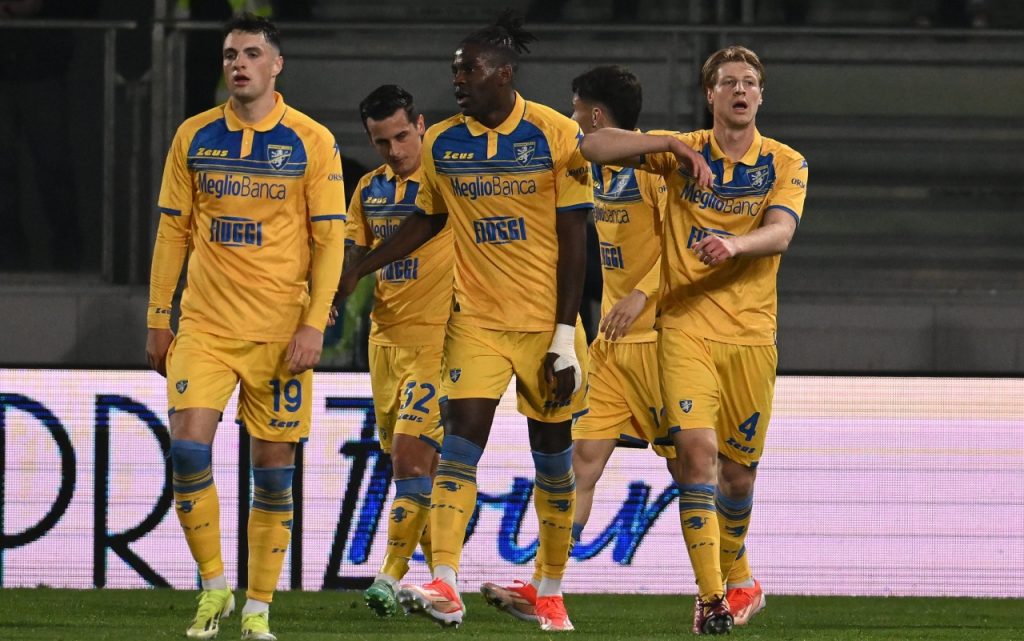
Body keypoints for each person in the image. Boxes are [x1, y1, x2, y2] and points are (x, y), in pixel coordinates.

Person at [335, 10, 595, 632]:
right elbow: (428, 218)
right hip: (475, 322)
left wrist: (565, 335)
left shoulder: (556, 134)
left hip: (546, 326)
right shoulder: (445, 143)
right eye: (455, 71)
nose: (458, 80)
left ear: (503, 74)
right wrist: (362, 266)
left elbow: (575, 239)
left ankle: (550, 589)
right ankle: (445, 582)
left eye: (469, 70)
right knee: (457, 447)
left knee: (553, 462)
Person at [580, 45, 807, 634]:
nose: (740, 90)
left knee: (738, 476)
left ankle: (737, 580)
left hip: (751, 336)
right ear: (710, 95)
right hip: (684, 328)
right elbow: (592, 146)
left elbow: (781, 232)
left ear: (761, 95)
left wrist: (734, 244)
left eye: (749, 81)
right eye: (728, 81)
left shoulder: (785, 162)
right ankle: (711, 598)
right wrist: (670, 145)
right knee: (696, 457)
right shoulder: (683, 152)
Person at [145, 14, 345, 641]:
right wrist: (158, 317)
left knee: (273, 475)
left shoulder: (312, 140)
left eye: (253, 54)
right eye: (231, 53)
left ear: (276, 65)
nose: (239, 63)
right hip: (204, 326)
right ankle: (213, 589)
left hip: (280, 334)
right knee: (186, 451)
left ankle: (258, 609)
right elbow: (172, 232)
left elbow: (330, 241)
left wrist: (313, 324)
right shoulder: (194, 136)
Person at [477, 63, 677, 623]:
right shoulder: (592, 170)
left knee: (692, 474)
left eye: (575, 109)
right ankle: (547, 590)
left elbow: (686, 249)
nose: (570, 118)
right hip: (610, 348)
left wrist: (640, 295)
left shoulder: (654, 170)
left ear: (594, 114)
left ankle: (727, 585)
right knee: (579, 465)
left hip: (660, 343)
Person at [342, 84, 454, 618]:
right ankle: (442, 588)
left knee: (411, 456)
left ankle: (388, 576)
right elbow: (352, 252)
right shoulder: (369, 189)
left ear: (422, 125)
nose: (395, 150)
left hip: (439, 342)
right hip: (385, 343)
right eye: (382, 142)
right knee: (412, 471)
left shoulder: (448, 180)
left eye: (403, 136)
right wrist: (332, 295)